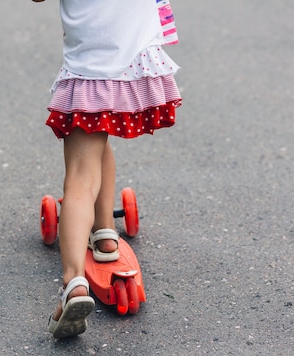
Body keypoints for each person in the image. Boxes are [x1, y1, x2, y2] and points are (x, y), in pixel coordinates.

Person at [33, 0, 182, 338]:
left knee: (80, 182)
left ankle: (73, 283)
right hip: (133, 73)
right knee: (100, 143)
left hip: (89, 76)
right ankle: (104, 237)